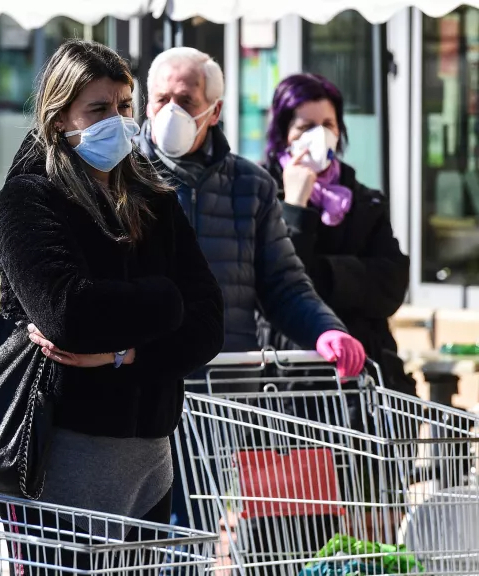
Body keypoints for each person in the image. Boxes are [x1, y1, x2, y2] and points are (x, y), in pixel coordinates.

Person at [0, 39, 224, 571]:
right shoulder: (31, 197)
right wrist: (167, 301)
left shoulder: (154, 198)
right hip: (68, 451)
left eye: (123, 106)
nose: (116, 120)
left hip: (152, 455)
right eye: (98, 109)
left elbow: (208, 324)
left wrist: (126, 355)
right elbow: (68, 315)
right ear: (59, 119)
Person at [133, 47, 367, 529]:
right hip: (137, 392)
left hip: (222, 398)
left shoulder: (251, 186)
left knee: (199, 535)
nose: (169, 111)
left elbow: (283, 283)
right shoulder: (121, 177)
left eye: (184, 98)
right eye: (159, 100)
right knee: (144, 541)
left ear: (213, 110)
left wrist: (325, 331)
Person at [262, 73, 415, 396]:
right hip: (289, 380)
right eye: (305, 128)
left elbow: (391, 285)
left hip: (364, 378)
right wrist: (295, 206)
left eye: (328, 125)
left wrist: (323, 275)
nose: (319, 136)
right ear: (284, 134)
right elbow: (279, 283)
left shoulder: (364, 199)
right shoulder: (258, 193)